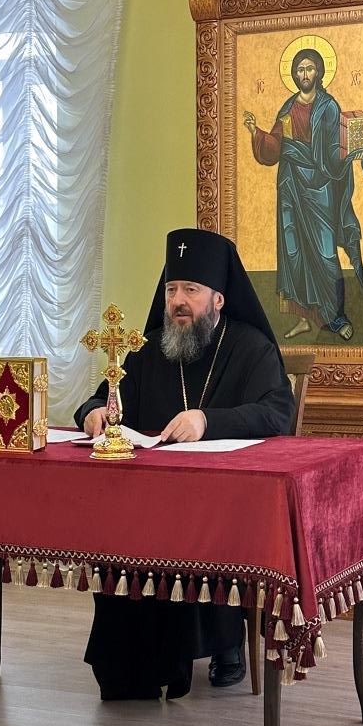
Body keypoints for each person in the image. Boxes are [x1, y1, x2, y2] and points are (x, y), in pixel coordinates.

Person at [74, 228, 295, 700]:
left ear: (218, 299)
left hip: (225, 502)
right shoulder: (149, 347)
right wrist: (93, 413)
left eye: (190, 290)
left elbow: (278, 413)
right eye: (172, 289)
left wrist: (207, 421)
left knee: (202, 527)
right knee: (118, 531)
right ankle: (133, 665)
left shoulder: (251, 347)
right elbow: (104, 396)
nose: (178, 301)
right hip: (149, 500)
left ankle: (225, 640)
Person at [243, 48, 363, 342]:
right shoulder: (288, 107)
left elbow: (334, 148)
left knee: (325, 252)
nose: (305, 74)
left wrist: (353, 153)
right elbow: (276, 144)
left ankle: (336, 317)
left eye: (309, 68)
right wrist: (256, 133)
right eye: (300, 69)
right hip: (291, 184)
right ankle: (304, 318)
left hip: (320, 187)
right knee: (295, 251)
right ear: (294, 74)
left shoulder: (328, 107)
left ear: (319, 72)